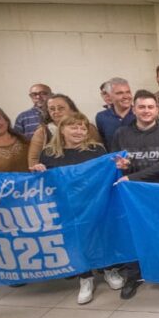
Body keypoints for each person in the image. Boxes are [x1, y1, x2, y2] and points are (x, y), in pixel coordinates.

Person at [32, 112, 119, 304]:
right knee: (76, 240)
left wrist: (120, 166)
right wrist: (39, 172)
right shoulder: (49, 153)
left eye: (82, 127)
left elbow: (107, 173)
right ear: (62, 129)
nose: (79, 131)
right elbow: (45, 183)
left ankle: (109, 269)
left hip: (94, 202)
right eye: (73, 127)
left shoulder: (96, 150)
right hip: (67, 206)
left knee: (101, 235)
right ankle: (85, 277)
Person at [112, 90, 159, 299]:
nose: (146, 111)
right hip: (131, 195)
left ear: (157, 110)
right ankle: (133, 276)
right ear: (133, 109)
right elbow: (114, 160)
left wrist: (132, 176)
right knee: (132, 234)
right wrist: (122, 166)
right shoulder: (121, 133)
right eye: (141, 107)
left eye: (151, 107)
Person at [27, 93, 95, 168]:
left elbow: (99, 156)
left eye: (61, 108)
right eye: (52, 109)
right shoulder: (42, 132)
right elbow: (34, 159)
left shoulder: (89, 127)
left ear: (72, 109)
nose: (56, 111)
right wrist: (38, 169)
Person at [95, 77, 135, 145]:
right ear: (109, 97)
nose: (126, 96)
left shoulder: (141, 114)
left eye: (128, 92)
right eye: (120, 93)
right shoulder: (101, 117)